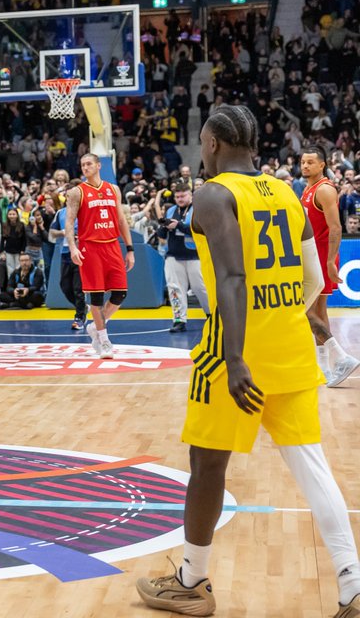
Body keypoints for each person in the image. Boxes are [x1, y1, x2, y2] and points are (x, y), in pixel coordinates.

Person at [136, 105, 360, 618]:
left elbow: (233, 279)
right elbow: (312, 279)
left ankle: (191, 581)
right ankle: (352, 584)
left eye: (201, 142)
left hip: (232, 348)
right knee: (311, 463)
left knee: (206, 464)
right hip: (290, 342)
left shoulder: (214, 194)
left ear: (213, 144)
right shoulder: (285, 191)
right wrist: (299, 315)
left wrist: (235, 358)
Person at [300, 147, 359, 387]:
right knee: (320, 311)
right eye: (303, 162)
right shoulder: (308, 187)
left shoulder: (324, 189)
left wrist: (330, 261)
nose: (305, 166)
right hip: (315, 253)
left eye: (310, 162)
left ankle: (342, 357)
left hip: (320, 254)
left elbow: (335, 228)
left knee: (305, 311)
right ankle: (324, 368)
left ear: (322, 164)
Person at [65, 153, 134, 358]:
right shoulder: (77, 192)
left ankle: (96, 327)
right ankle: (104, 340)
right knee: (95, 297)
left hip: (112, 245)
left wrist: (130, 249)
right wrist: (72, 247)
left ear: (98, 165)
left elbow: (121, 220)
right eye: (82, 165)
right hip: (90, 247)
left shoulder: (113, 189)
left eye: (89, 164)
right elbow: (69, 222)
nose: (85, 167)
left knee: (120, 293)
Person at [157, 182, 208, 333]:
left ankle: (211, 315)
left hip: (195, 256)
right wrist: (163, 226)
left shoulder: (198, 210)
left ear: (190, 195)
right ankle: (179, 320)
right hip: (173, 255)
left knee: (201, 288)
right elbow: (161, 235)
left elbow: (199, 230)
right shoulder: (171, 210)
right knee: (174, 289)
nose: (179, 199)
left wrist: (178, 225)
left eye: (183, 196)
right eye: (177, 196)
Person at [49, 206, 87, 330]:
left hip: (80, 252)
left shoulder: (84, 211)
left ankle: (79, 317)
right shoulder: (60, 212)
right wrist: (64, 232)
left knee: (78, 288)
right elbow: (52, 233)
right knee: (65, 286)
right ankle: (82, 308)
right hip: (65, 253)